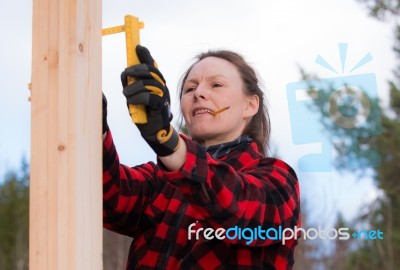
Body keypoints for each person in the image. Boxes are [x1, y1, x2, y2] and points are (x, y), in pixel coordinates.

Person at [102, 45, 301, 269]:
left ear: (250, 105)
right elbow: (107, 196)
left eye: (216, 84)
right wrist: (93, 127)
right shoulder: (159, 178)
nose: (198, 93)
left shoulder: (279, 180)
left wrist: (168, 143)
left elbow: (234, 205)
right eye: (189, 89)